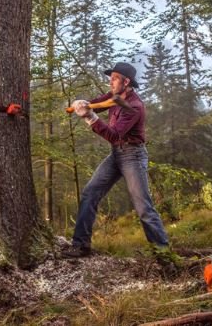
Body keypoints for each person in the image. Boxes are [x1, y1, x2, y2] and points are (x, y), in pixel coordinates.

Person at [62, 62, 170, 258]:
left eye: (114, 79)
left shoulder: (134, 106)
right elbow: (98, 102)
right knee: (89, 193)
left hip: (133, 156)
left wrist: (90, 118)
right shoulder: (115, 96)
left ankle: (164, 255)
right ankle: (81, 245)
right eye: (110, 78)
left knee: (143, 207)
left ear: (126, 81)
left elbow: (114, 135)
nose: (110, 82)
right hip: (116, 154)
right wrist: (83, 103)